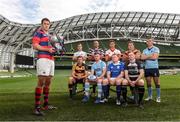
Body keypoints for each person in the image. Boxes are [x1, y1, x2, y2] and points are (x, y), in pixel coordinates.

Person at [32, 18, 56, 116]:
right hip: (43, 59)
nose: (46, 25)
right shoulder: (39, 33)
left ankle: (45, 104)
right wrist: (47, 49)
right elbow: (35, 45)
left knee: (48, 82)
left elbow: (53, 48)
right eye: (45, 24)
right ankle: (37, 107)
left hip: (51, 60)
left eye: (48, 24)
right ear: (42, 25)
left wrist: (56, 49)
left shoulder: (51, 36)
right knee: (41, 82)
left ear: (49, 25)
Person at [141, 38, 161, 103]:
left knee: (157, 83)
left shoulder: (156, 49)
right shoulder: (144, 50)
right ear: (146, 42)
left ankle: (158, 97)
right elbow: (142, 58)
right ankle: (150, 96)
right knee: (148, 83)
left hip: (154, 68)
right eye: (147, 41)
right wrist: (150, 55)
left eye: (150, 41)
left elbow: (155, 57)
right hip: (147, 68)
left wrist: (146, 56)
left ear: (152, 42)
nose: (148, 42)